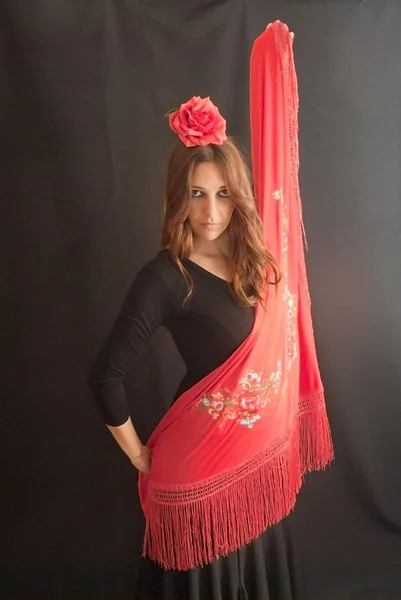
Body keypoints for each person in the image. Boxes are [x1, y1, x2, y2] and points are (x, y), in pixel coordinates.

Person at [88, 22, 333, 600]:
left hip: (254, 469)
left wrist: (276, 68)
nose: (211, 209)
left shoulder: (259, 263)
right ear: (179, 196)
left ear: (238, 194)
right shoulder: (165, 277)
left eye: (222, 193)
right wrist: (142, 457)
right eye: (197, 193)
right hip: (197, 474)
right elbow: (105, 376)